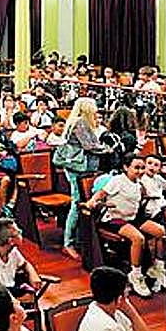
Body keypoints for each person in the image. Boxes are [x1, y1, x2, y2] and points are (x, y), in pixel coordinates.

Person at [84, 155, 166, 298]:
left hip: (133, 218)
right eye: (136, 168)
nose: (140, 171)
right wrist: (92, 201)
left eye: (142, 168)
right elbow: (100, 193)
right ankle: (135, 274)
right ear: (126, 167)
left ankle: (156, 267)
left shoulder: (139, 184)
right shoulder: (118, 181)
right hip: (114, 219)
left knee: (161, 232)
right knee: (138, 238)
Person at [58, 97, 105, 262]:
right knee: (76, 203)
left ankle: (79, 238)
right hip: (77, 168)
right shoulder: (80, 123)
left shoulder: (83, 123)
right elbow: (90, 146)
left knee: (82, 202)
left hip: (83, 168)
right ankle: (68, 243)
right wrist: (108, 149)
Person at [0, 218, 43, 296]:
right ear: (10, 241)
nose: (21, 234)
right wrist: (15, 302)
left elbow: (25, 264)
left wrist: (33, 275)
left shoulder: (13, 251)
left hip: (10, 289)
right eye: (18, 232)